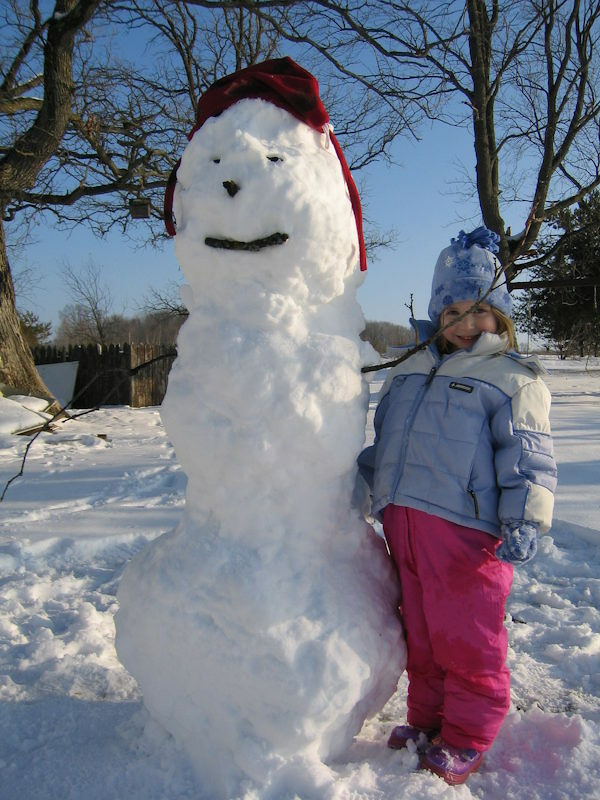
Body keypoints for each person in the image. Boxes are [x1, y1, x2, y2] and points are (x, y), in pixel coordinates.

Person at [357, 226, 557, 785]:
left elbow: (530, 455)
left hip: (466, 535)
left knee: (466, 638)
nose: (467, 325)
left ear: (501, 317)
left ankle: (467, 734)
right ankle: (425, 720)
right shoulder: (410, 370)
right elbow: (385, 445)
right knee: (420, 634)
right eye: (454, 312)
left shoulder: (510, 379)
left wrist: (526, 516)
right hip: (406, 527)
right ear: (438, 314)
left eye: (481, 312)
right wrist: (355, 489)